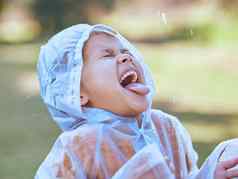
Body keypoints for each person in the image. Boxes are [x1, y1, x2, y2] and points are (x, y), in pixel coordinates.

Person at [35, 24, 238, 179]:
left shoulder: (166, 128)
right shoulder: (79, 146)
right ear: (75, 92)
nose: (125, 58)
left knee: (231, 151)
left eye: (125, 52)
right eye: (107, 55)